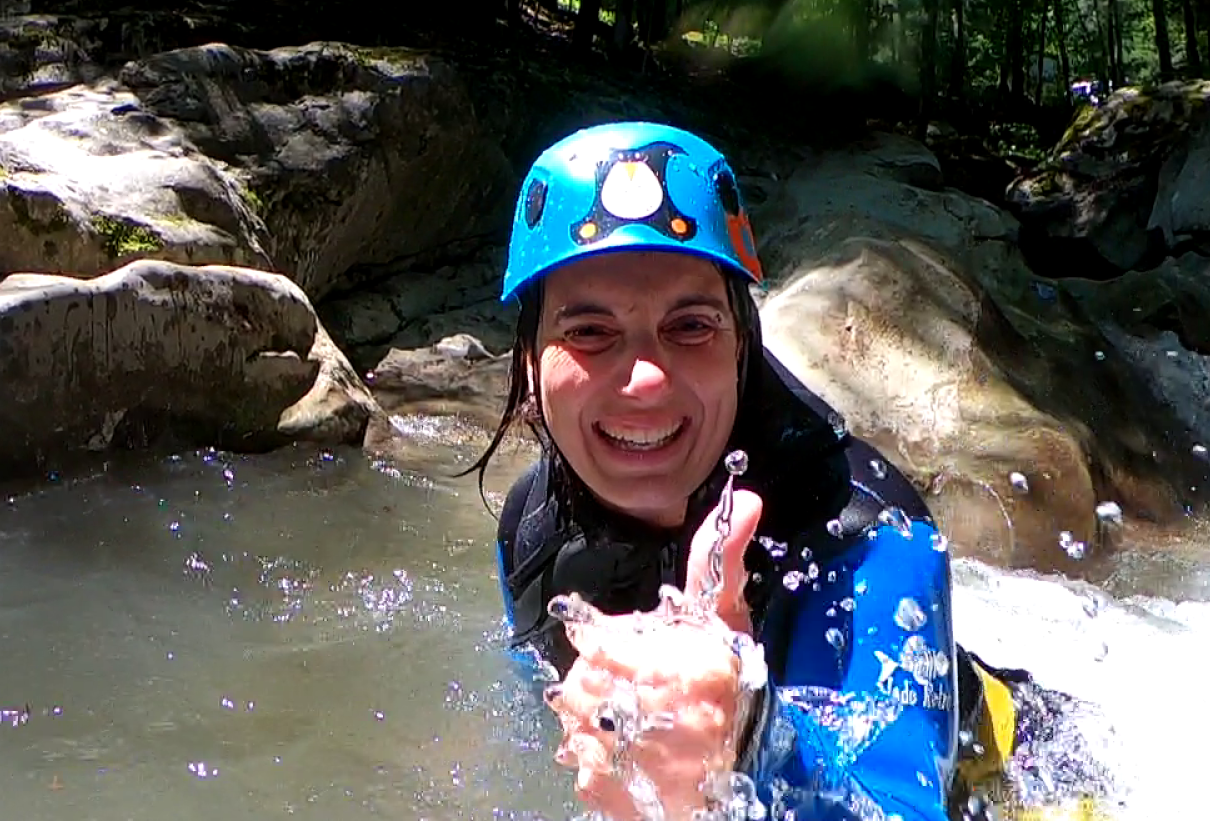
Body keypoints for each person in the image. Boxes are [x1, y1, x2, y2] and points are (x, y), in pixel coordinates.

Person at [465, 121, 1108, 821]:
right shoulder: (533, 528)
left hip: (1031, 776)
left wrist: (744, 735)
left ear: (742, 343)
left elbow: (901, 807)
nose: (645, 379)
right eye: (589, 332)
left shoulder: (866, 532)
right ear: (530, 362)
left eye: (691, 326)